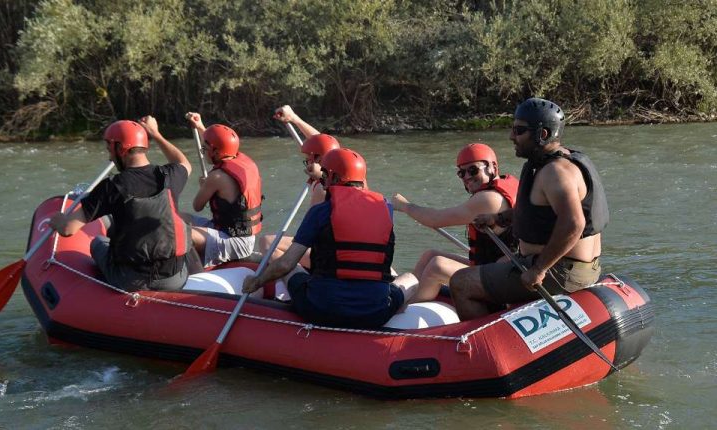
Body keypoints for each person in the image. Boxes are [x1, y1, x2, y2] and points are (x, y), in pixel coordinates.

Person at [449, 97, 609, 321]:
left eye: (519, 130)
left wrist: (539, 269)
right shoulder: (562, 161)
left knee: (461, 282)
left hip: (560, 272)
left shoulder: (555, 173)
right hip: (578, 267)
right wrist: (501, 218)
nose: (512, 137)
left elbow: (574, 223)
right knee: (498, 268)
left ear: (542, 134)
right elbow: (542, 212)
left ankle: (478, 347)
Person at [242, 148, 415, 328]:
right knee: (412, 279)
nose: (323, 179)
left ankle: (282, 299)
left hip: (322, 309)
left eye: (325, 174)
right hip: (375, 313)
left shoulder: (321, 211)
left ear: (332, 176)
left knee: (292, 269)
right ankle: (399, 313)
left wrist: (256, 282)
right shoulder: (386, 209)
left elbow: (286, 264)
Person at [49, 116, 193, 291]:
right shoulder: (169, 175)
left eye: (110, 149)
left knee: (98, 242)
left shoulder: (112, 186)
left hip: (133, 281)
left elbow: (67, 229)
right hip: (176, 277)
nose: (110, 157)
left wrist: (57, 219)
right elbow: (184, 163)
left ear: (120, 148)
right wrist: (156, 133)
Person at [391, 143, 519, 303]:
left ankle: (406, 312)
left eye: (473, 170)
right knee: (429, 256)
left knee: (437, 266)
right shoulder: (508, 185)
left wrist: (404, 206)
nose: (466, 177)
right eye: (461, 173)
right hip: (492, 267)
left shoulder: (488, 199)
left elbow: (435, 220)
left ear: (492, 166)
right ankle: (411, 294)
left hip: (499, 277)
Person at [258, 105, 341, 266]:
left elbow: (309, 233)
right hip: (350, 251)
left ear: (316, 160)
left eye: (308, 158)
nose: (307, 161)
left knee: (266, 243)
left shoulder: (321, 189)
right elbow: (324, 143)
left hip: (330, 259)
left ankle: (297, 280)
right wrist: (293, 118)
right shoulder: (348, 172)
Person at [184, 113, 263, 267]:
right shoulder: (242, 159)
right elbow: (219, 143)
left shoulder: (217, 177)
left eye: (204, 148)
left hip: (235, 242)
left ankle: (192, 275)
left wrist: (204, 187)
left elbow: (197, 206)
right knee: (179, 217)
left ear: (216, 152)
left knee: (183, 233)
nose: (203, 151)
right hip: (232, 232)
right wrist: (200, 126)